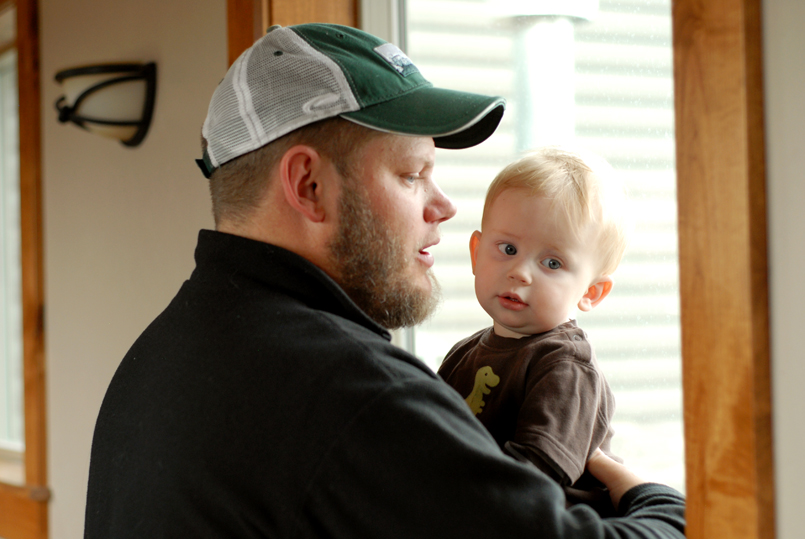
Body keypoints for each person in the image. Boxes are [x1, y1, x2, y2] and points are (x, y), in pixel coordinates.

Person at [83, 23, 685, 539]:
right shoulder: (350, 395)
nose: (444, 206)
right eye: (412, 174)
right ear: (309, 186)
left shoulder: (162, 356)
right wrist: (660, 502)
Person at [437, 148, 628, 512]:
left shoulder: (565, 366)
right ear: (476, 253)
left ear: (590, 292)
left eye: (552, 263)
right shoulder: (464, 353)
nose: (520, 272)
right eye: (508, 248)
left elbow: (535, 475)